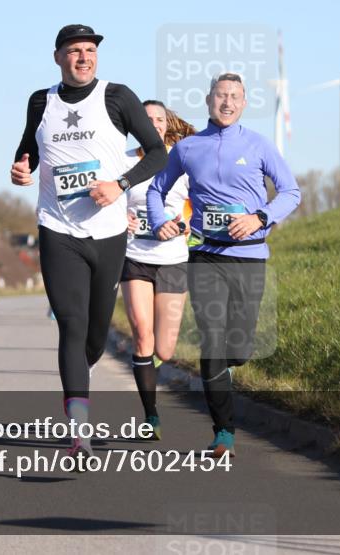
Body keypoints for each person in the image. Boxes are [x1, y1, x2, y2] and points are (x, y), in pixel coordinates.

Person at [11, 24, 167, 459]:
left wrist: (120, 185)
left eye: (90, 50)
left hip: (108, 232)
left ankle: (83, 372)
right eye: (75, 51)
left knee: (95, 335)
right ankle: (79, 429)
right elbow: (27, 153)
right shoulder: (41, 101)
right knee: (72, 324)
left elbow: (158, 153)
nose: (84, 57)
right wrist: (20, 170)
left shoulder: (117, 97)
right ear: (58, 57)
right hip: (57, 229)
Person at [147, 72, 301, 457]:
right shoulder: (188, 148)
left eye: (234, 96)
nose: (227, 102)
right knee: (212, 341)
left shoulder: (259, 144)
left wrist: (260, 218)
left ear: (244, 103)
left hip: (249, 257)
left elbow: (291, 191)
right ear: (208, 100)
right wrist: (159, 221)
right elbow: (156, 189)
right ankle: (224, 433)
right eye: (220, 95)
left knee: (240, 348)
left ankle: (229, 367)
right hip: (205, 256)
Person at [121, 101, 196, 440]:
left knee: (164, 349)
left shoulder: (181, 160)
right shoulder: (123, 160)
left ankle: (149, 367)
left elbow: (197, 203)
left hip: (173, 258)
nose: (153, 124)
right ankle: (150, 415)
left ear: (168, 124)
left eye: (159, 119)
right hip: (134, 255)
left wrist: (187, 223)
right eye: (147, 118)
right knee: (142, 335)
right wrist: (121, 217)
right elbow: (106, 200)